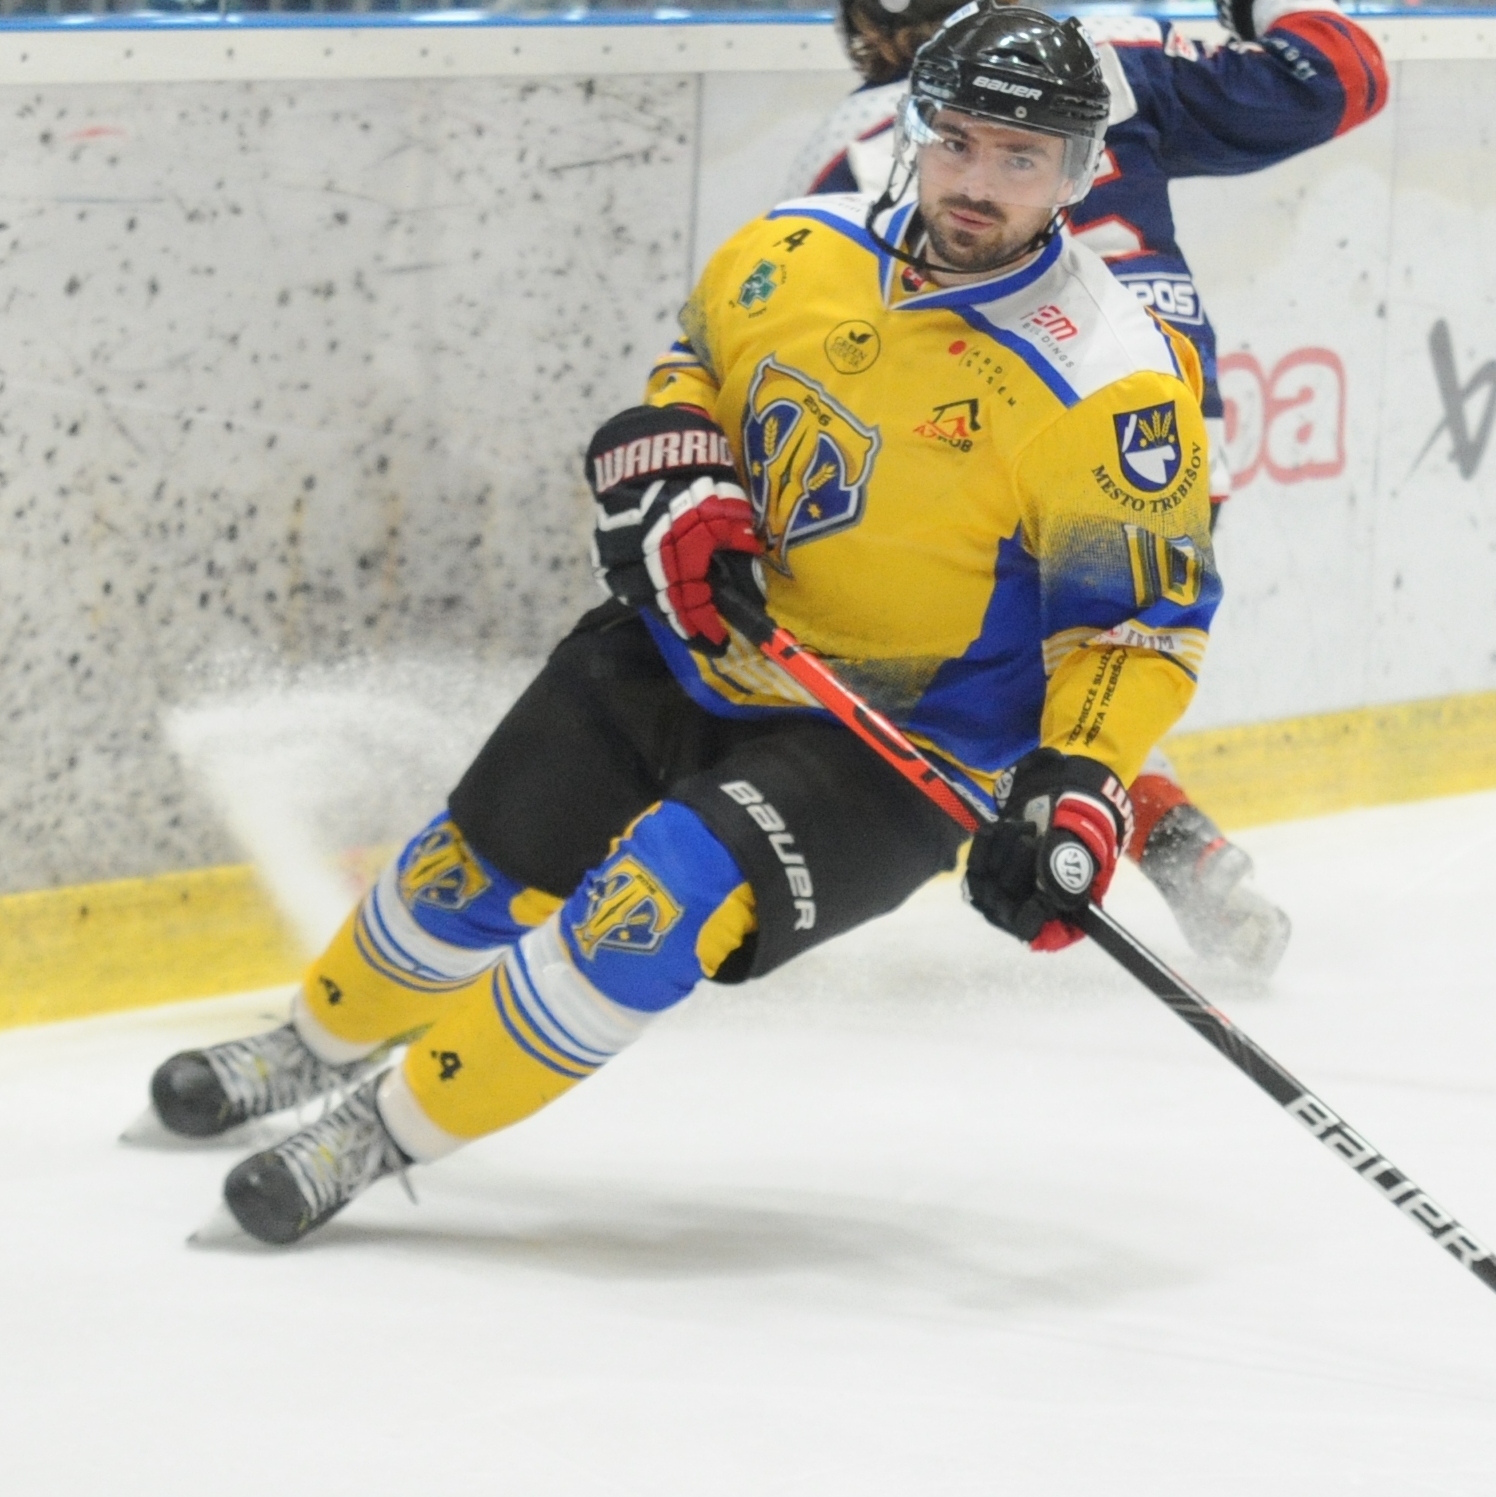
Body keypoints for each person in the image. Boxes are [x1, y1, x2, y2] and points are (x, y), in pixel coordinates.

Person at [145, 3, 1220, 1248]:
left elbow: (1137, 629)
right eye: (961, 140)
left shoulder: (1111, 384)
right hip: (700, 640)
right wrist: (679, 464)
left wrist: (1075, 787)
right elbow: (693, 373)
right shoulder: (791, 250)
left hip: (904, 741)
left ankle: (378, 1132)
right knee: (468, 867)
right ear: (918, 128)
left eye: (1021, 157)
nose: (979, 181)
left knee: (653, 903)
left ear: (1078, 171)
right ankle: (311, 1043)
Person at [799, 0, 1387, 977]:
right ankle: (1175, 844)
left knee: (995, 689)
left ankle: (1132, 839)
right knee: (1091, 663)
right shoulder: (1107, 57)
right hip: (1161, 443)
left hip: (987, 461)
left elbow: (806, 347)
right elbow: (1342, 77)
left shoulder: (861, 138)